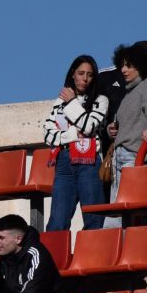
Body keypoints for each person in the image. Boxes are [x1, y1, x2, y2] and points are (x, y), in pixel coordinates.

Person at [42, 56, 110, 231]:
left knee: (93, 220)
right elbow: (48, 135)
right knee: (57, 222)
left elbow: (89, 127)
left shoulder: (100, 100)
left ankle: (92, 258)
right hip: (64, 163)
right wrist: (74, 134)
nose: (85, 79)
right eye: (81, 73)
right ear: (73, 74)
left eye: (89, 74)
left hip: (90, 163)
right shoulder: (59, 101)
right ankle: (55, 258)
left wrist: (72, 103)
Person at [106, 41, 147, 196]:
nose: (123, 70)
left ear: (141, 65)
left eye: (129, 66)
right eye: (122, 65)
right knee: (117, 211)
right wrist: (112, 128)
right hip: (120, 157)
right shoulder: (129, 92)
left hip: (134, 155)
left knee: (126, 208)